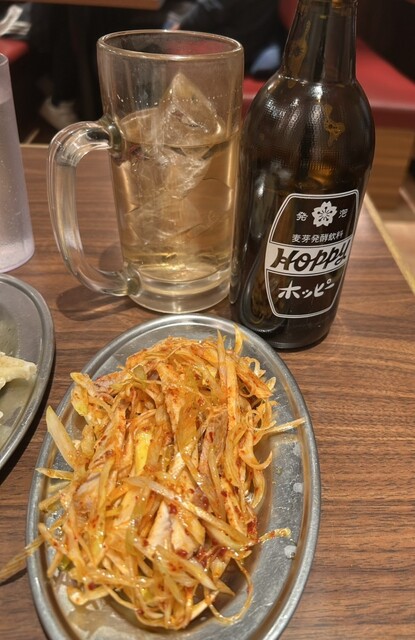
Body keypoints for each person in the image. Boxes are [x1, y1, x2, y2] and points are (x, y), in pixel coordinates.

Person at [167, 0, 287, 77]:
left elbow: (208, 11)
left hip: (226, 52)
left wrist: (177, 29)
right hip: (259, 41)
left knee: (165, 28)